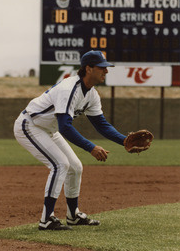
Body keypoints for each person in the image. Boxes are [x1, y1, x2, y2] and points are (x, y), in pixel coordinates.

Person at [13, 50, 126, 230]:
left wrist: (125, 141)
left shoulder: (92, 94)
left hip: (49, 129)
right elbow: (65, 126)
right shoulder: (69, 88)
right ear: (88, 69)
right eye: (102, 68)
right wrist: (91, 147)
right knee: (60, 164)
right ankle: (46, 219)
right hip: (30, 125)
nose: (106, 71)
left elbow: (102, 125)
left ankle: (73, 215)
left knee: (75, 167)